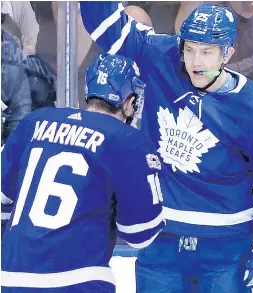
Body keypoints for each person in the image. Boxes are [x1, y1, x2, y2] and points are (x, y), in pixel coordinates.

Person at [80, 2, 253, 293]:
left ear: (228, 52)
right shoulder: (161, 57)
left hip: (227, 248)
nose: (195, 62)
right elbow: (106, 25)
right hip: (161, 241)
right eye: (189, 49)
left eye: (207, 52)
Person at [1, 53, 165, 293]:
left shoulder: (34, 121)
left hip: (11, 277)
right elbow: (140, 234)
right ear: (130, 102)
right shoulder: (127, 140)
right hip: (77, 280)